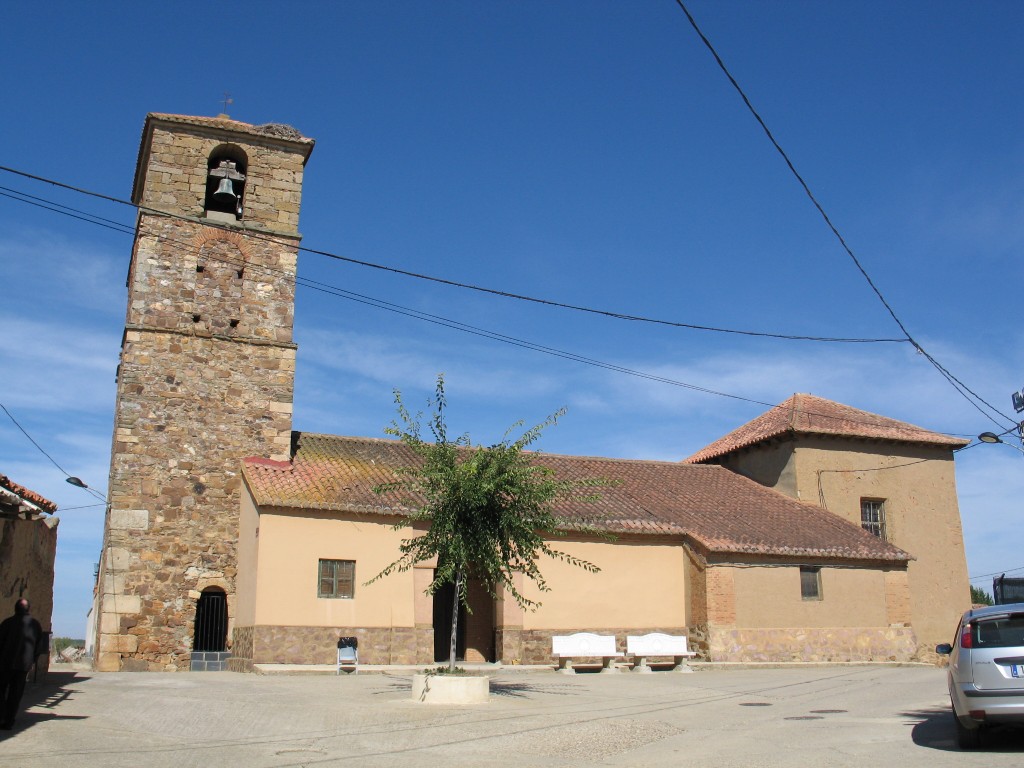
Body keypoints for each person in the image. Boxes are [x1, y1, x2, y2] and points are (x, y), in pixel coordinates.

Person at [0, 598, 43, 730]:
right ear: (28, 609)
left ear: (15, 609)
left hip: (5, 663)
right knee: (15, 693)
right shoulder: (35, 625)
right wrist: (33, 660)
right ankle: (9, 720)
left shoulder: (7, 623)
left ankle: (2, 715)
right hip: (23, 665)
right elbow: (38, 646)